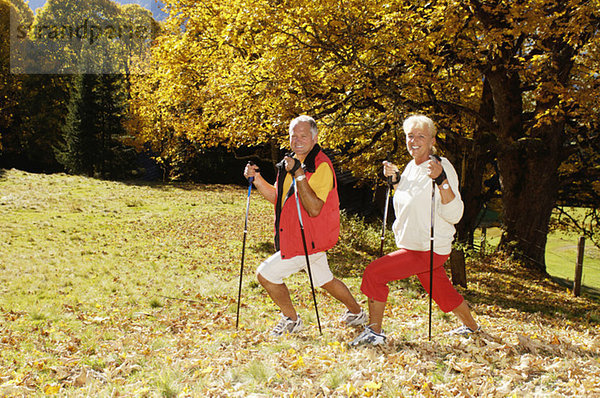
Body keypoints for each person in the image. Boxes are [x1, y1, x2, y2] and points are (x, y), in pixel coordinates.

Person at [350, 114, 479, 346]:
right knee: (441, 290)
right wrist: (396, 180)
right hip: (413, 243)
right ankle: (472, 328)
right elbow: (409, 198)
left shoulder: (442, 166)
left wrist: (441, 180)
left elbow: (455, 212)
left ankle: (374, 332)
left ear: (432, 140)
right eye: (410, 136)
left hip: (428, 247)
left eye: (421, 136)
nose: (414, 140)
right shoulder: (411, 166)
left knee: (374, 273)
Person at [244, 115, 367, 337]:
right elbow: (280, 198)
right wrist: (258, 180)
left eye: (303, 136)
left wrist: (299, 172)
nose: (298, 140)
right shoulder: (289, 161)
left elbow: (313, 208)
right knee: (325, 280)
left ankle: (292, 320)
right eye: (294, 136)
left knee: (265, 274)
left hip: (307, 239)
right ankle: (357, 313)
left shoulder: (320, 166)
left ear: (314, 137)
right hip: (303, 237)